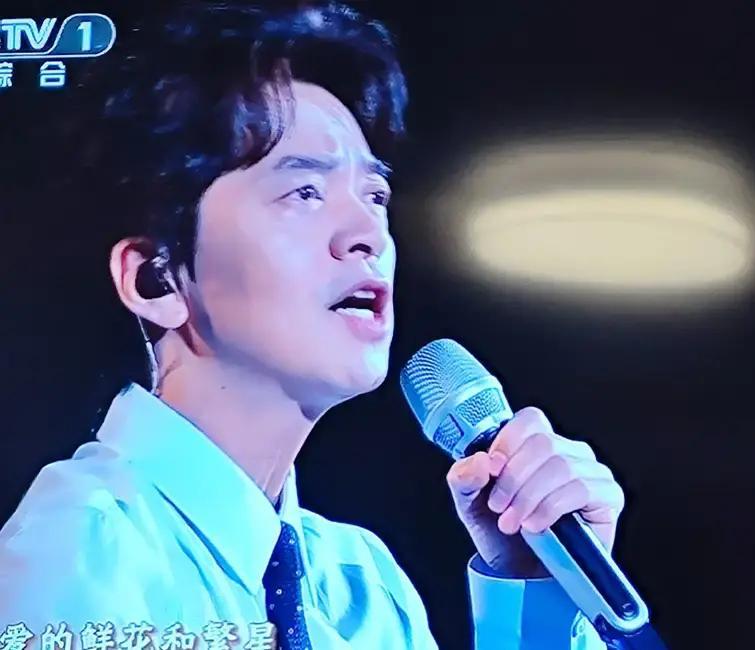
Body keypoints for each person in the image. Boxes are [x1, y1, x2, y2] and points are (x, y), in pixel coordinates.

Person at [0, 4, 624, 648]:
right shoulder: (81, 557)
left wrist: (535, 591)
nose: (367, 234)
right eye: (305, 192)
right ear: (157, 280)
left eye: (375, 196)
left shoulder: (364, 586)